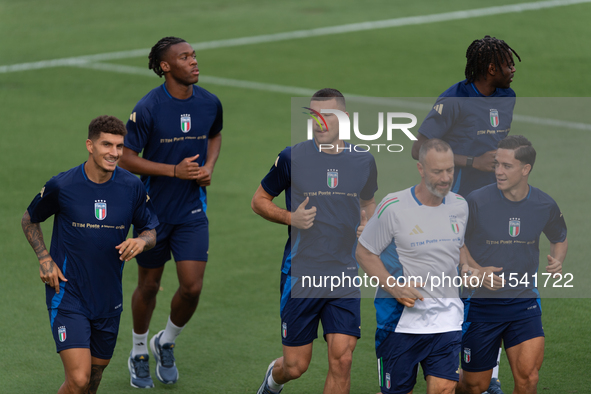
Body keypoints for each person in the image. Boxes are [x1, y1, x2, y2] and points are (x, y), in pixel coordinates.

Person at [411, 35, 521, 394]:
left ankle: (489, 377)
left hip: (493, 206)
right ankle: (447, 366)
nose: (513, 69)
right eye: (507, 64)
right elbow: (419, 146)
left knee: (494, 284)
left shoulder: (507, 97)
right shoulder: (453, 100)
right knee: (456, 289)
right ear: (490, 68)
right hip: (453, 209)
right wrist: (470, 161)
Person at [251, 88, 378, 394]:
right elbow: (259, 200)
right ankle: (273, 378)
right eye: (314, 116)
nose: (319, 123)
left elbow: (368, 202)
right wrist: (289, 218)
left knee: (343, 360)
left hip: (343, 273)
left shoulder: (363, 160)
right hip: (301, 274)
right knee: (295, 366)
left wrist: (367, 223)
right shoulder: (291, 157)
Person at [21, 116, 158, 394]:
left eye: (119, 146)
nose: (114, 152)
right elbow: (29, 218)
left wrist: (142, 242)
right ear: (90, 145)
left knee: (92, 381)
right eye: (106, 144)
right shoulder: (63, 185)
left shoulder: (132, 186)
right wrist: (45, 259)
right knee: (79, 379)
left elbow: (150, 228)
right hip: (68, 294)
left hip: (108, 298)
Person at [118, 36, 223, 388]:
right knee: (149, 286)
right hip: (152, 215)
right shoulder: (148, 107)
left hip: (192, 209)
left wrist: (208, 165)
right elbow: (126, 157)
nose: (194, 61)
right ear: (165, 67)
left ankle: (166, 341)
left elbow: (215, 135)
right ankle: (137, 350)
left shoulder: (209, 102)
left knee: (192, 288)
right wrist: (173, 171)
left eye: (194, 55)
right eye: (184, 57)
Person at [357, 139, 479, 394]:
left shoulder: (459, 206)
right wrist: (394, 287)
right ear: (421, 169)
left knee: (445, 389)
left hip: (447, 318)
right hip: (400, 323)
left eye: (450, 170)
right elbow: (365, 252)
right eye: (437, 172)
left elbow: (457, 246)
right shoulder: (393, 207)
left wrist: (467, 267)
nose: (445, 178)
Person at [456, 136, 567, 394]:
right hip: (481, 304)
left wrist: (558, 260)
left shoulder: (544, 204)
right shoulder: (476, 201)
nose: (498, 171)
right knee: (474, 385)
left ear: (525, 169)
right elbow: (457, 242)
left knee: (528, 378)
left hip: (523, 302)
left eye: (506, 166)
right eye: (496, 164)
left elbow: (559, 236)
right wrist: (476, 270)